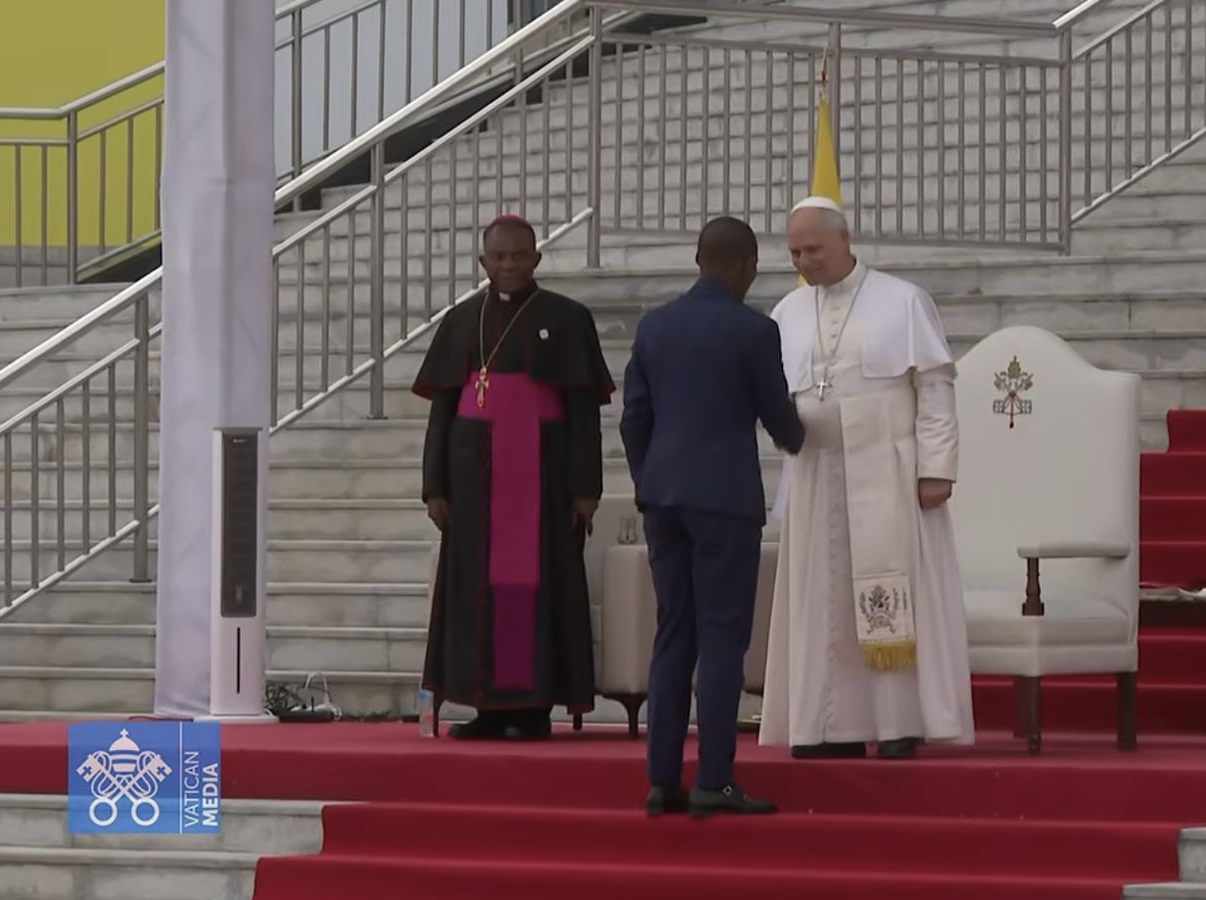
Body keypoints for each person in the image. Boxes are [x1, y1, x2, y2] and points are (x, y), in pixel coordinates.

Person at [759, 196, 975, 760]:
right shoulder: (788, 310)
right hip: (814, 475)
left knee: (888, 597)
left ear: (845, 238)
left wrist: (937, 470)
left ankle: (897, 721)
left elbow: (933, 391)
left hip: (889, 473)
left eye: (814, 249)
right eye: (795, 251)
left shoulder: (902, 301)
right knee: (819, 604)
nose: (805, 261)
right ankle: (823, 724)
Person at [621, 216, 804, 818]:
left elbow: (634, 419)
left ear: (699, 259)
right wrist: (803, 432)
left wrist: (650, 483)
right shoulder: (754, 331)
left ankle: (661, 780)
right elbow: (781, 421)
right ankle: (715, 779)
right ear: (747, 266)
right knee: (723, 638)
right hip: (724, 501)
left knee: (673, 633)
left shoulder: (655, 327)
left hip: (664, 499)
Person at [412, 214, 615, 740]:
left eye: (519, 256)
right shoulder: (460, 321)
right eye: (499, 257)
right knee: (477, 591)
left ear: (536, 259)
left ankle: (534, 708)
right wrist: (434, 486)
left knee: (538, 586)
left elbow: (583, 412)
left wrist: (585, 491)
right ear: (483, 262)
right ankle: (486, 709)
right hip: (474, 481)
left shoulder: (568, 319)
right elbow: (443, 409)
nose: (509, 265)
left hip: (542, 479)